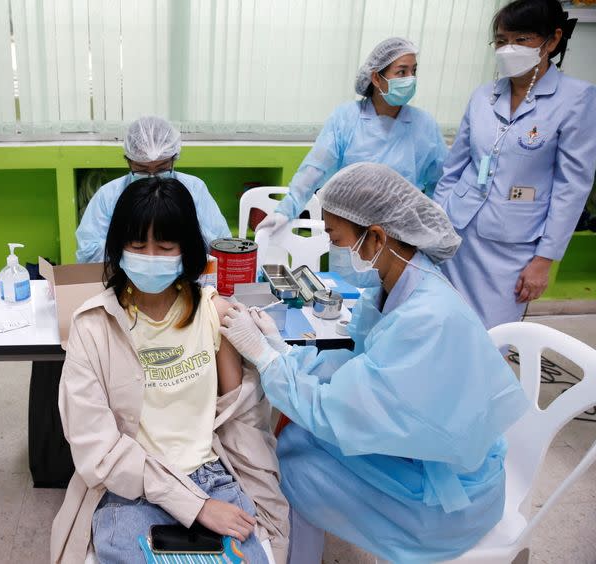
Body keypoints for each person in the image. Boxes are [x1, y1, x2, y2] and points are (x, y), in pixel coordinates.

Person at [220, 163, 529, 562]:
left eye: (336, 237)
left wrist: (264, 359)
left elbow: (334, 412)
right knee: (296, 436)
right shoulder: (396, 289)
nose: (334, 250)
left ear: (376, 237)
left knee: (292, 466)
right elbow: (347, 367)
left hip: (451, 502)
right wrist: (280, 349)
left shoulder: (426, 321)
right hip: (435, 461)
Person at [51, 177, 288, 563]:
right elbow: (97, 448)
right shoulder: (94, 326)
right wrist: (194, 506)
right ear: (118, 248)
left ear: (186, 249)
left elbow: (240, 420)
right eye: (137, 245)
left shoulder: (214, 314)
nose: (151, 256)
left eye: (164, 246)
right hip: (131, 484)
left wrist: (265, 501)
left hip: (210, 475)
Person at [434, 0, 596, 330]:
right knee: (444, 323)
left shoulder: (576, 99)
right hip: (455, 233)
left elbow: (571, 187)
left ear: (551, 41)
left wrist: (544, 260)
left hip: (511, 245)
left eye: (521, 39)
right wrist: (435, 224)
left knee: (494, 336)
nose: (508, 48)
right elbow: (453, 169)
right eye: (501, 40)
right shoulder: (483, 96)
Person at [257, 38, 448, 239]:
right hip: (350, 234)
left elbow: (443, 182)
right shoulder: (346, 119)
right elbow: (314, 169)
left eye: (413, 71)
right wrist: (285, 210)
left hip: (402, 237)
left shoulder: (424, 125)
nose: (410, 78)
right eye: (401, 72)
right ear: (376, 78)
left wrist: (432, 225)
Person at [75, 116, 231, 263]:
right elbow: (88, 255)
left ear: (173, 160)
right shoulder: (108, 196)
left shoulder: (194, 189)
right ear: (129, 162)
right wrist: (133, 251)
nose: (152, 178)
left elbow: (219, 244)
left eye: (161, 169)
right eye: (142, 170)